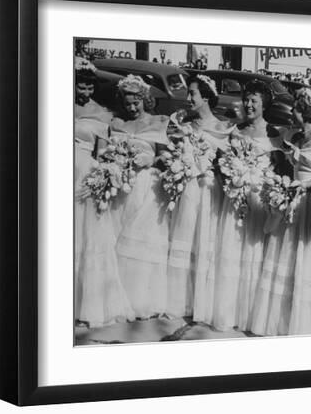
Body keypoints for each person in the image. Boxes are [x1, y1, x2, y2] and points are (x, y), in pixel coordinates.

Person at [251, 87, 311, 336]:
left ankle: (305, 321)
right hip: (292, 201)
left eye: (297, 109)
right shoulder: (294, 138)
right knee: (286, 254)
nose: (293, 113)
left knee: (307, 255)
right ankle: (282, 315)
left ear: (307, 112)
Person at [212, 80, 289, 332]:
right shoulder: (236, 131)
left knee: (252, 251)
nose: (249, 104)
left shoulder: (273, 135)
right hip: (234, 198)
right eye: (246, 99)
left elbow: (280, 169)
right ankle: (226, 310)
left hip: (257, 201)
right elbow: (222, 162)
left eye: (254, 100)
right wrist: (230, 177)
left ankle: (247, 312)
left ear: (264, 104)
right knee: (231, 249)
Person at [166, 75, 235, 322]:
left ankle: (200, 301)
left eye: (192, 93)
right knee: (184, 236)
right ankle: (178, 300)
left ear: (205, 96)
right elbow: (174, 150)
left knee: (204, 239)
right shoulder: (186, 122)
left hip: (208, 189)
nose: (188, 98)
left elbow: (227, 162)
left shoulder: (222, 127)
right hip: (187, 187)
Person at [74, 57, 135, 327]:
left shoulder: (100, 112)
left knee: (87, 232)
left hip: (84, 174)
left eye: (89, 87)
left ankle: (87, 303)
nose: (84, 92)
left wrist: (102, 176)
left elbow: (103, 151)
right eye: (80, 86)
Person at [110, 74, 171, 319]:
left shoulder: (159, 122)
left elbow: (167, 158)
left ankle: (141, 300)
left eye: (136, 102)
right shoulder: (117, 123)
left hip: (147, 188)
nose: (132, 107)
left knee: (141, 242)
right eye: (128, 104)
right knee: (117, 237)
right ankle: (119, 297)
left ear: (145, 99)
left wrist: (152, 159)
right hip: (121, 186)